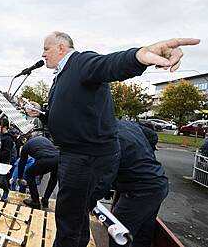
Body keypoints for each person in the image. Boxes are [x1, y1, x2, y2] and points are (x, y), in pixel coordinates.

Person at [42, 31, 199, 247]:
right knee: (75, 218)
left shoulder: (81, 62)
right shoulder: (63, 75)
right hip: (77, 155)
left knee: (69, 220)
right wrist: (42, 115)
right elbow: (69, 114)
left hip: (84, 158)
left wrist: (139, 56)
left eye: (46, 48)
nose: (43, 54)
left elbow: (109, 65)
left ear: (61, 48)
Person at [91, 120, 168, 247]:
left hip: (140, 190)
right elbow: (152, 136)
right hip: (158, 183)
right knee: (143, 232)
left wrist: (90, 200)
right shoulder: (126, 124)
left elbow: (107, 176)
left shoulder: (107, 136)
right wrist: (145, 154)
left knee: (118, 233)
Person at [16, 136, 59, 209]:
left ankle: (35, 201)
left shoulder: (26, 146)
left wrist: (19, 177)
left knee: (29, 174)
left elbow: (22, 163)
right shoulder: (42, 139)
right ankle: (45, 200)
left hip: (45, 159)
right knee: (53, 178)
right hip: (58, 158)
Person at [0, 117, 14, 201]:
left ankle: (6, 190)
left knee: (1, 180)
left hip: (4, 161)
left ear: (5, 127)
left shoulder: (8, 139)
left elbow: (7, 152)